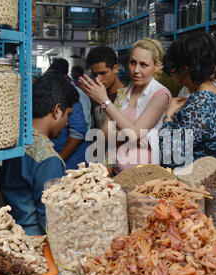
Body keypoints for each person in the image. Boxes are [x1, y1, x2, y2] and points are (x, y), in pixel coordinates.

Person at [0, 75, 79, 235]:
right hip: (35, 241)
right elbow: (51, 220)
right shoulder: (49, 160)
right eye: (68, 115)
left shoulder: (14, 141)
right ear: (57, 110)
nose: (67, 123)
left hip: (12, 234)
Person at [80, 39, 172, 174]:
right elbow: (105, 133)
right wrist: (134, 135)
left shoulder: (160, 95)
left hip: (144, 178)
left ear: (157, 66)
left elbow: (133, 133)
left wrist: (105, 101)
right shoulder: (124, 93)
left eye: (144, 65)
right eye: (133, 62)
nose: (136, 70)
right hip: (116, 173)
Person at [159, 31, 216, 168]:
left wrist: (168, 117)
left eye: (172, 70)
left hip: (193, 182)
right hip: (211, 177)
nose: (171, 75)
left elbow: (172, 156)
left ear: (185, 69)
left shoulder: (199, 105)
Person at [45, 59, 91, 169]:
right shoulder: (53, 92)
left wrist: (57, 161)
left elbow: (78, 132)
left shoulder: (70, 93)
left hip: (71, 161)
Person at [86, 46, 125, 129]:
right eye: (94, 74)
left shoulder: (127, 96)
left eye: (102, 73)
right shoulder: (94, 96)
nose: (98, 79)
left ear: (115, 68)